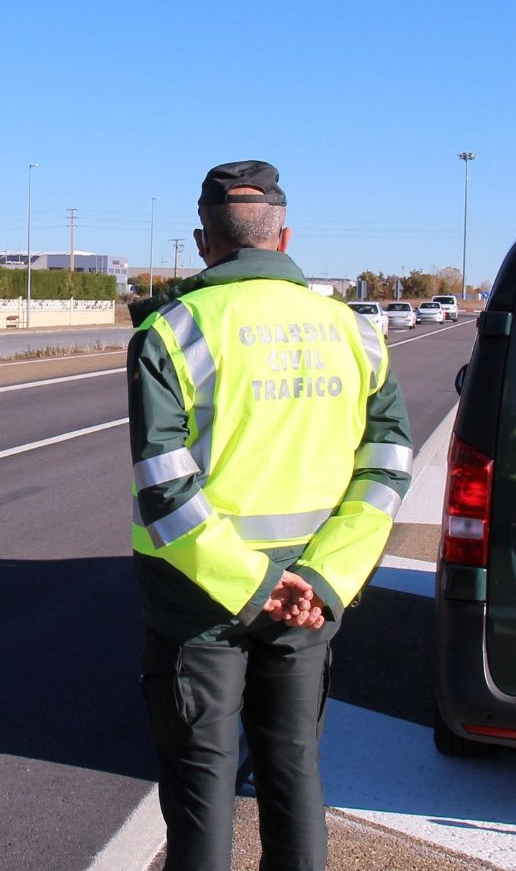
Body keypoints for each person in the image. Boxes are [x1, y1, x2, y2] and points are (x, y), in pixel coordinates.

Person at [127, 160, 412, 870]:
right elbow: (386, 465)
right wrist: (324, 577)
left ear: (202, 241)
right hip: (310, 600)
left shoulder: (172, 331)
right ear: (284, 236)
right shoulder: (355, 330)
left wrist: (252, 584)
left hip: (198, 600)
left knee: (201, 787)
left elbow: (164, 488)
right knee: (294, 775)